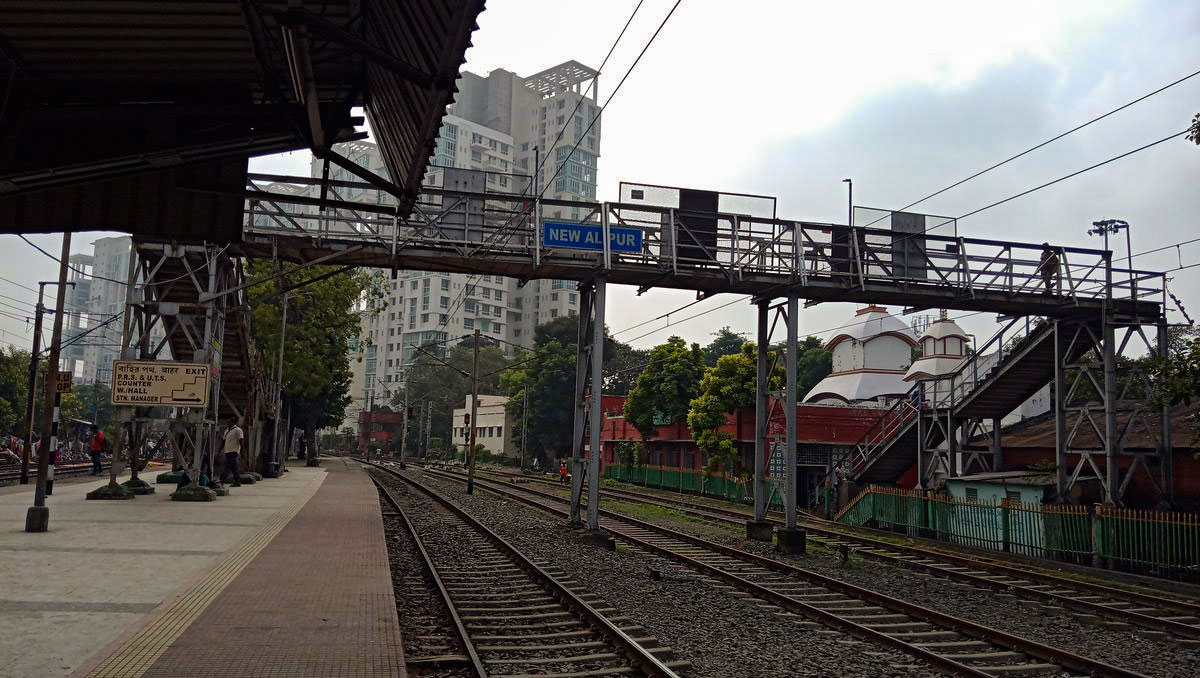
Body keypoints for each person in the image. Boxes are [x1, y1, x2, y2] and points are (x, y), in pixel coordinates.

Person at [221, 417, 244, 487]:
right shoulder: (227, 430)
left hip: (234, 451)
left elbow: (241, 441)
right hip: (227, 451)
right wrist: (220, 449)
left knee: (227, 467)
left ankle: (221, 481)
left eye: (229, 422)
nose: (227, 423)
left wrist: (243, 451)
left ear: (233, 422)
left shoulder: (238, 430)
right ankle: (237, 482)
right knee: (234, 468)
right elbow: (224, 441)